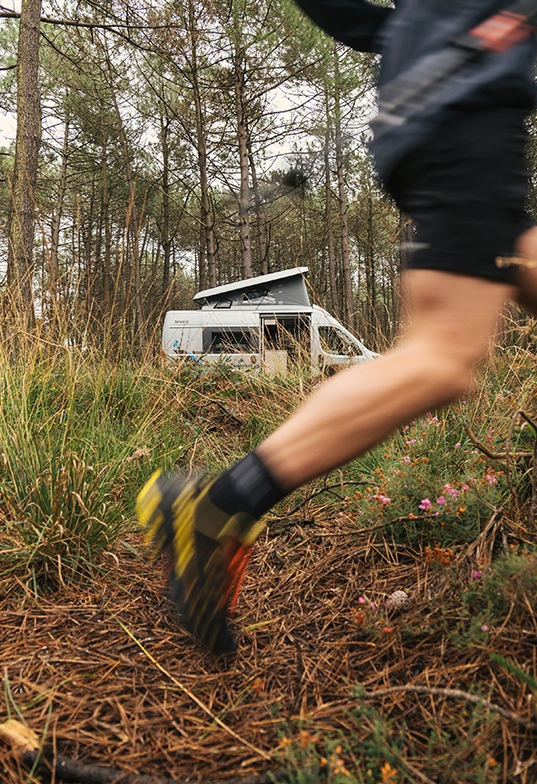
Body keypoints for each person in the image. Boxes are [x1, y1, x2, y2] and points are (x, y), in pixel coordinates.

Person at [136, 0, 537, 654]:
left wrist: (408, 41)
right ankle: (216, 506)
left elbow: (345, 13)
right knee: (443, 356)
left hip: (435, 106)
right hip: (469, 107)